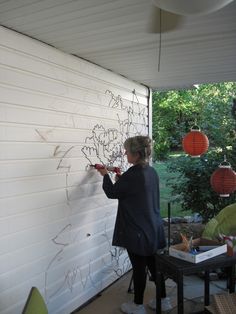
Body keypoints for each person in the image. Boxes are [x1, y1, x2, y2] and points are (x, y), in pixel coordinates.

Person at [96, 135, 172, 314]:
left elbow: (112, 192)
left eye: (127, 151)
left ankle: (138, 306)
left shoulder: (133, 174)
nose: (125, 153)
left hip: (137, 231)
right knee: (154, 265)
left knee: (138, 268)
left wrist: (105, 175)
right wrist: (121, 179)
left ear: (136, 154)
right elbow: (137, 190)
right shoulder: (150, 171)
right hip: (153, 227)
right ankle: (164, 300)